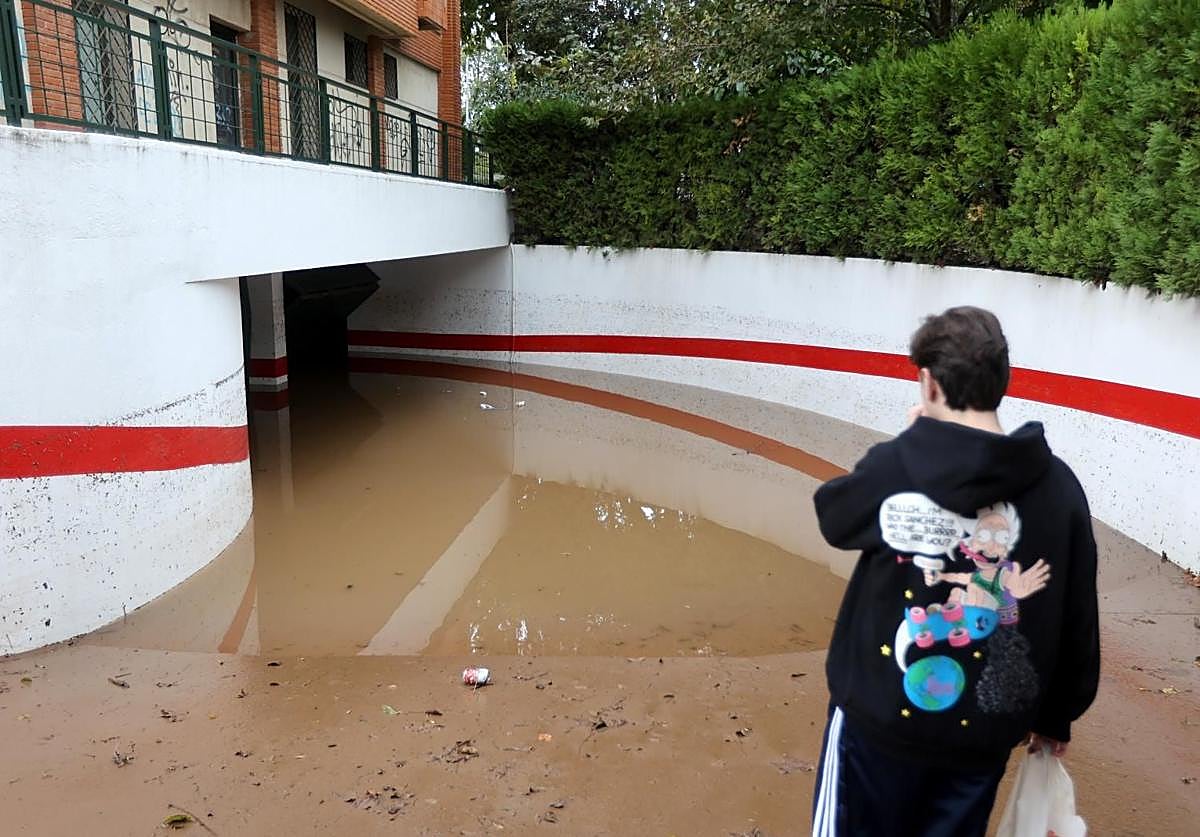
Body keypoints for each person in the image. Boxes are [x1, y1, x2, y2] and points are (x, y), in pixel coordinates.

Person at [810, 306, 1099, 837]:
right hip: (982, 738)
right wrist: (1058, 714)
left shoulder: (899, 466)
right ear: (1001, 382)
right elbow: (1077, 609)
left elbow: (835, 515)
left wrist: (907, 442)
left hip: (878, 722)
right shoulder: (1058, 487)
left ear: (930, 384)